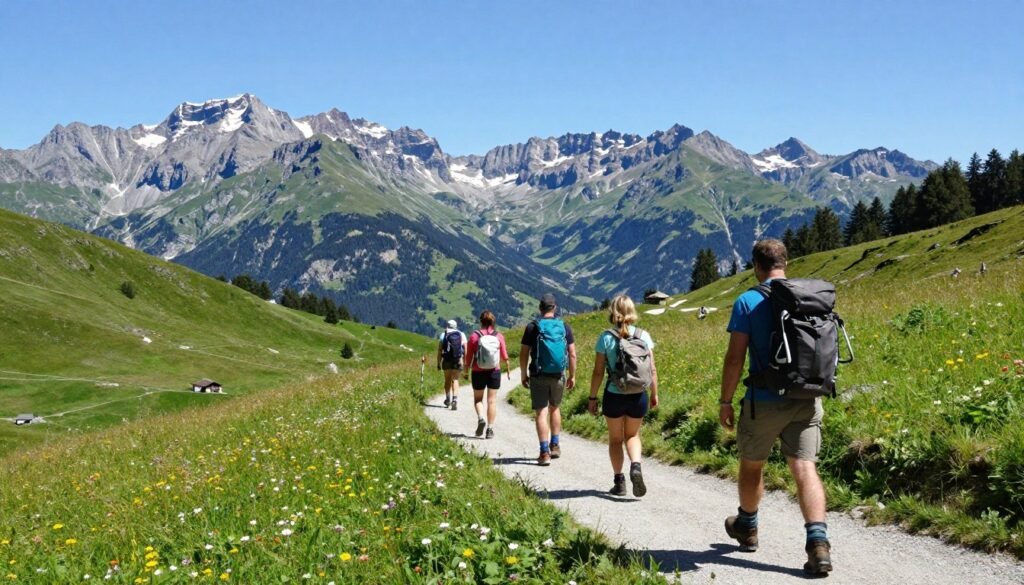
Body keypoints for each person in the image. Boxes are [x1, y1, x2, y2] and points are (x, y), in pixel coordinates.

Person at [718, 239, 833, 576]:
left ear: (756, 265)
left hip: (764, 401)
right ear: (786, 263)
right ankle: (818, 544)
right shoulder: (808, 297)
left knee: (753, 465)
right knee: (805, 468)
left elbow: (735, 357)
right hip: (806, 398)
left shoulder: (747, 301)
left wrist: (725, 400)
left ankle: (748, 527)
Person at [588, 295, 658, 497]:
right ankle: (635, 465)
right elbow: (652, 369)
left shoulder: (606, 338)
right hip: (638, 395)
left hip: (614, 394)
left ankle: (619, 482)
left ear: (613, 312)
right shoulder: (644, 336)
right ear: (632, 312)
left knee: (615, 439)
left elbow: (598, 372)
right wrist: (654, 393)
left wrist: (592, 397)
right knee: (633, 435)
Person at [520, 293, 577, 466]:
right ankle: (555, 445)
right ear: (555, 307)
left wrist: (523, 374)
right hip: (558, 374)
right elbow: (572, 354)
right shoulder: (564, 326)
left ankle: (544, 453)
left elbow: (523, 353)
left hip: (538, 374)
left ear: (540, 308)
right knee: (555, 408)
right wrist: (572, 375)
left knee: (541, 412)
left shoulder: (533, 327)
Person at [464, 310, 511, 439]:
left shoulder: (474, 336)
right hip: (494, 371)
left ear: (481, 322)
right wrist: (507, 368)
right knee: (492, 401)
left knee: (478, 399)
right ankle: (490, 429)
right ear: (493, 322)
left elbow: (468, 358)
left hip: (478, 371)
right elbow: (504, 355)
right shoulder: (498, 336)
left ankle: (481, 418)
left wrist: (465, 371)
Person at [436, 319, 466, 411]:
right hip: (457, 360)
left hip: (447, 360)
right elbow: (465, 348)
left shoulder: (443, 335)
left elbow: (440, 350)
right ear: (456, 326)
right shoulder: (461, 334)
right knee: (455, 379)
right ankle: (455, 400)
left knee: (447, 379)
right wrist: (464, 361)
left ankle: (448, 399)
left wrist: (438, 363)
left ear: (447, 326)